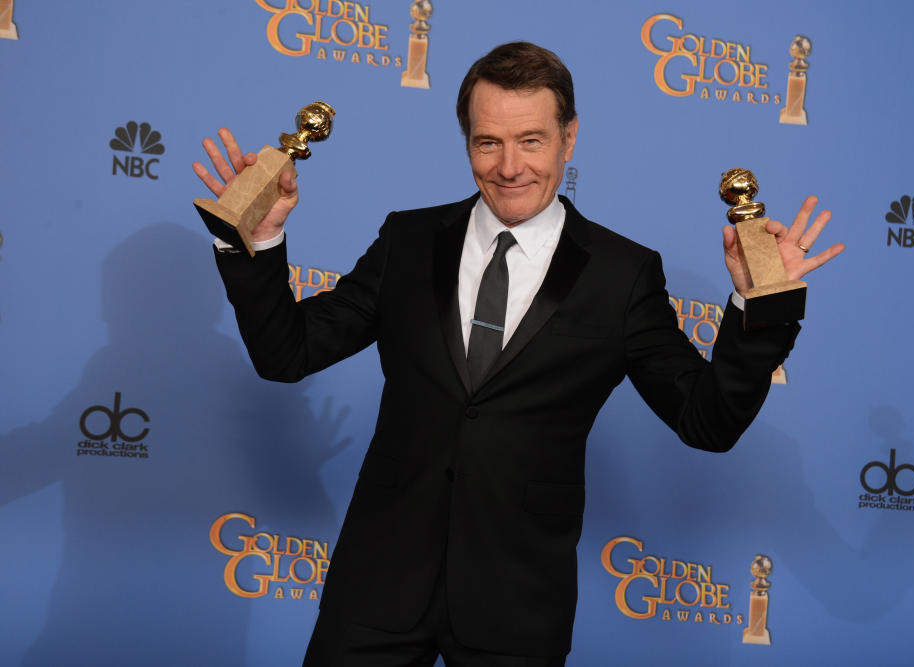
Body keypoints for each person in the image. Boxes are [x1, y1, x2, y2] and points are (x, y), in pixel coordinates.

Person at [194, 41, 843, 667]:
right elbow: (287, 353)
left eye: (531, 139)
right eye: (488, 142)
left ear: (569, 137)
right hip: (375, 591)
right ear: (467, 142)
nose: (509, 166)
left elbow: (708, 421)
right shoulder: (408, 240)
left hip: (516, 606)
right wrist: (258, 242)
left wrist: (760, 311)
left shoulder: (622, 275)